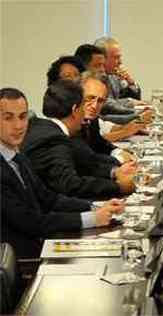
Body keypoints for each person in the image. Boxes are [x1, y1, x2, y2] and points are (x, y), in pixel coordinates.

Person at [0, 87, 124, 259]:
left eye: (22, 116)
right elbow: (31, 222)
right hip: (23, 262)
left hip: (43, 244)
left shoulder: (16, 156)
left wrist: (95, 208)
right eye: (8, 118)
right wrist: (92, 219)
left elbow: (49, 198)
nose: (19, 125)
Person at [21, 80, 136, 200]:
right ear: (75, 110)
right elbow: (70, 184)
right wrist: (118, 187)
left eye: (100, 101)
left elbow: (83, 164)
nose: (92, 107)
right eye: (85, 103)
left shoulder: (43, 127)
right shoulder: (54, 138)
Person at [75, 43, 145, 124]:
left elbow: (131, 98)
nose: (102, 69)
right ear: (83, 67)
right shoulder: (79, 86)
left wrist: (131, 83)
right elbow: (107, 108)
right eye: (98, 65)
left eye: (102, 65)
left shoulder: (111, 77)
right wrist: (138, 115)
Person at [76, 72, 139, 161]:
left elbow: (100, 144)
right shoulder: (69, 123)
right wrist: (119, 160)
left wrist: (118, 152)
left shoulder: (91, 119)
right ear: (77, 95)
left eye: (100, 101)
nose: (94, 105)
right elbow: (87, 160)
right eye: (90, 98)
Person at [94, 36, 142, 101]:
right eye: (116, 57)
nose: (120, 62)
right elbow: (104, 104)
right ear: (102, 58)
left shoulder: (114, 76)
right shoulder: (92, 78)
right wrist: (129, 102)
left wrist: (130, 83)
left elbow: (136, 100)